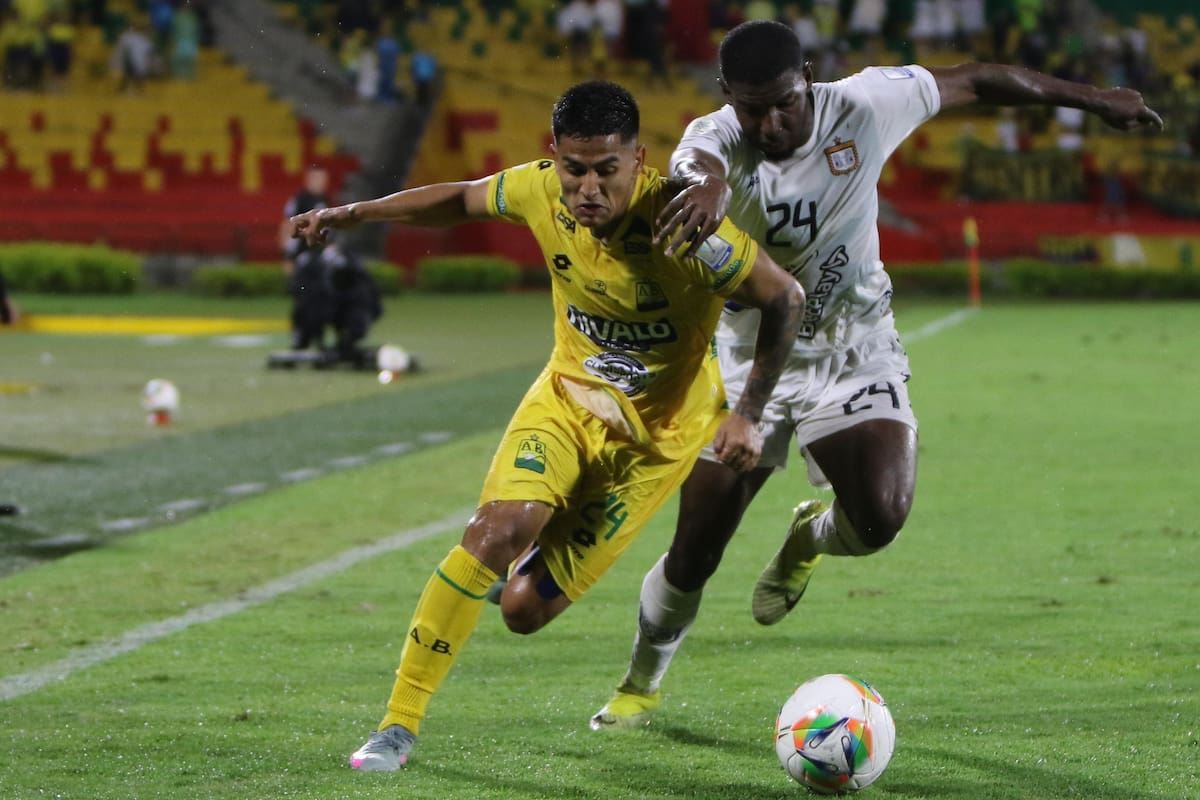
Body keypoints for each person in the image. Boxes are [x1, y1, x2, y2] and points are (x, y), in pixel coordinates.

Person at [589, 19, 1164, 730]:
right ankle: (640, 683)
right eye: (750, 107)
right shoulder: (711, 143)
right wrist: (702, 191)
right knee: (696, 548)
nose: (770, 123)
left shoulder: (865, 105)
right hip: (748, 367)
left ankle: (808, 539)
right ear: (725, 95)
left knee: (880, 518)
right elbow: (698, 171)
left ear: (810, 76)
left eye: (785, 102)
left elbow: (977, 79)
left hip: (854, 346)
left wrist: (1095, 98)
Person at [289, 80, 805, 773]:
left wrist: (747, 413)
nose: (587, 187)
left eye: (606, 170)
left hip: (654, 443)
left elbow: (785, 298)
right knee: (495, 530)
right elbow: (461, 197)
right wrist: (354, 213)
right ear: (553, 157)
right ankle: (397, 726)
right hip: (565, 401)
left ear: (639, 160)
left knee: (524, 610)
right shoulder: (537, 190)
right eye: (574, 168)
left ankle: (520, 568)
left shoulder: (686, 228)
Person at [279, 166, 332, 277]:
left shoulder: (325, 199)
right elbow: (287, 222)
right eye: (317, 179)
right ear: (309, 180)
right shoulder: (300, 199)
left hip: (318, 245)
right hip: (301, 245)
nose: (320, 182)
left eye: (322, 179)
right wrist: (286, 248)